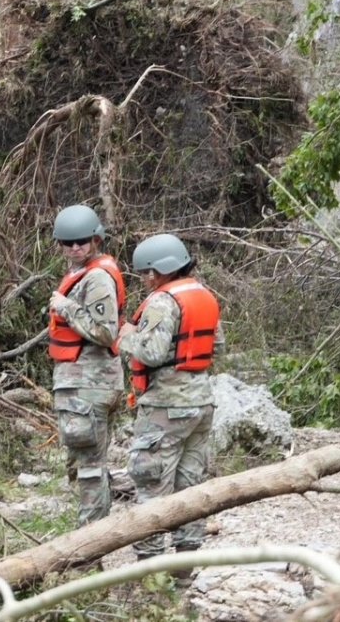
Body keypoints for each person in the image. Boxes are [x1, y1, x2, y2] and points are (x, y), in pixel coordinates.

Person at [117, 233, 221, 587]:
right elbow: (215, 343)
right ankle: (183, 579)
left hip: (166, 407)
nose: (145, 279)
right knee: (189, 488)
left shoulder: (162, 301)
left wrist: (126, 334)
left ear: (161, 271)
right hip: (202, 403)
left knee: (151, 487)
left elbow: (152, 353)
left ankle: (151, 583)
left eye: (147, 272)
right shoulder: (204, 295)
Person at [47, 205, 127, 526]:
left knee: (90, 467)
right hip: (86, 384)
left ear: (96, 239)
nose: (75, 247)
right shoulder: (81, 274)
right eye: (68, 243)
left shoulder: (96, 278)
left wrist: (66, 307)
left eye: (82, 240)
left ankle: (89, 545)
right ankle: (99, 535)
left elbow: (106, 331)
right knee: (89, 462)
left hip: (90, 385)